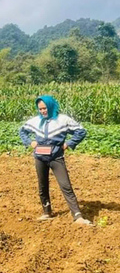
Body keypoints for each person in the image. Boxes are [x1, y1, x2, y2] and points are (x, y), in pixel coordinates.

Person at [19, 95, 92, 225]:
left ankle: (77, 216)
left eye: (45, 108)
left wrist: (68, 144)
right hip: (40, 158)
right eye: (40, 109)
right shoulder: (35, 121)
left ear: (51, 106)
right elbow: (22, 131)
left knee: (65, 185)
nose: (43, 111)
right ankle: (47, 212)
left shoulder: (63, 120)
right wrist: (30, 142)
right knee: (42, 185)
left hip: (56, 157)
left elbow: (81, 131)